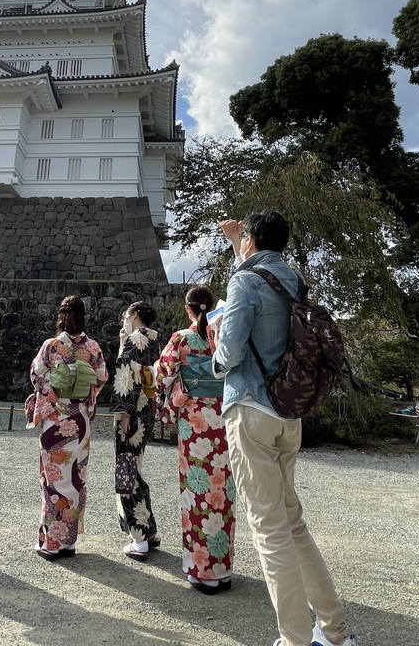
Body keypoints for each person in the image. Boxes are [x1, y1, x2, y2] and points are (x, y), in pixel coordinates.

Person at [212, 212, 358, 646]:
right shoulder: (294, 280)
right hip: (287, 412)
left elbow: (231, 350)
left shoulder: (244, 281)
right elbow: (263, 278)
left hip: (250, 408)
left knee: (269, 530)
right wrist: (239, 242)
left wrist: (216, 348)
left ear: (252, 239)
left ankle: (294, 639)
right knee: (293, 525)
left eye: (244, 238)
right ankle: (334, 632)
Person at [154, 284, 235, 594]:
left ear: (188, 309)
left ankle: (202, 571)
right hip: (223, 416)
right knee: (222, 490)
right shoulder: (223, 339)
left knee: (197, 489)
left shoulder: (181, 339)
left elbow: (162, 375)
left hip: (195, 420)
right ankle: (222, 569)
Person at [28, 295, 109, 560]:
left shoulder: (52, 346)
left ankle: (52, 543)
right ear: (84, 318)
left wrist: (52, 396)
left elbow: (36, 374)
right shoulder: (93, 347)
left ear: (60, 318)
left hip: (56, 417)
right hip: (80, 419)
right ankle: (69, 541)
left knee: (53, 479)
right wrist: (84, 391)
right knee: (76, 477)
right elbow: (101, 377)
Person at [111, 301, 162, 560]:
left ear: (134, 315)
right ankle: (148, 529)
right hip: (146, 409)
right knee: (135, 467)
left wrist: (124, 413)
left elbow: (125, 377)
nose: (124, 319)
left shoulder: (134, 339)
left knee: (126, 469)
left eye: (126, 315)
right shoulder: (155, 340)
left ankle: (139, 536)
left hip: (131, 413)